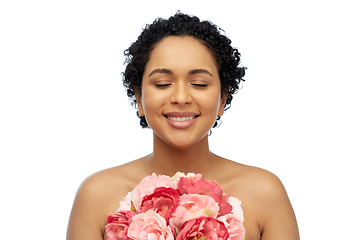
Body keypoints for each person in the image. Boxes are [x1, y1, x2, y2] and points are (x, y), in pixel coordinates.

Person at [67, 12, 299, 240]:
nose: (180, 97)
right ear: (139, 96)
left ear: (223, 99)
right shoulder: (96, 196)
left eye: (198, 83)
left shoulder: (265, 194)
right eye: (163, 83)